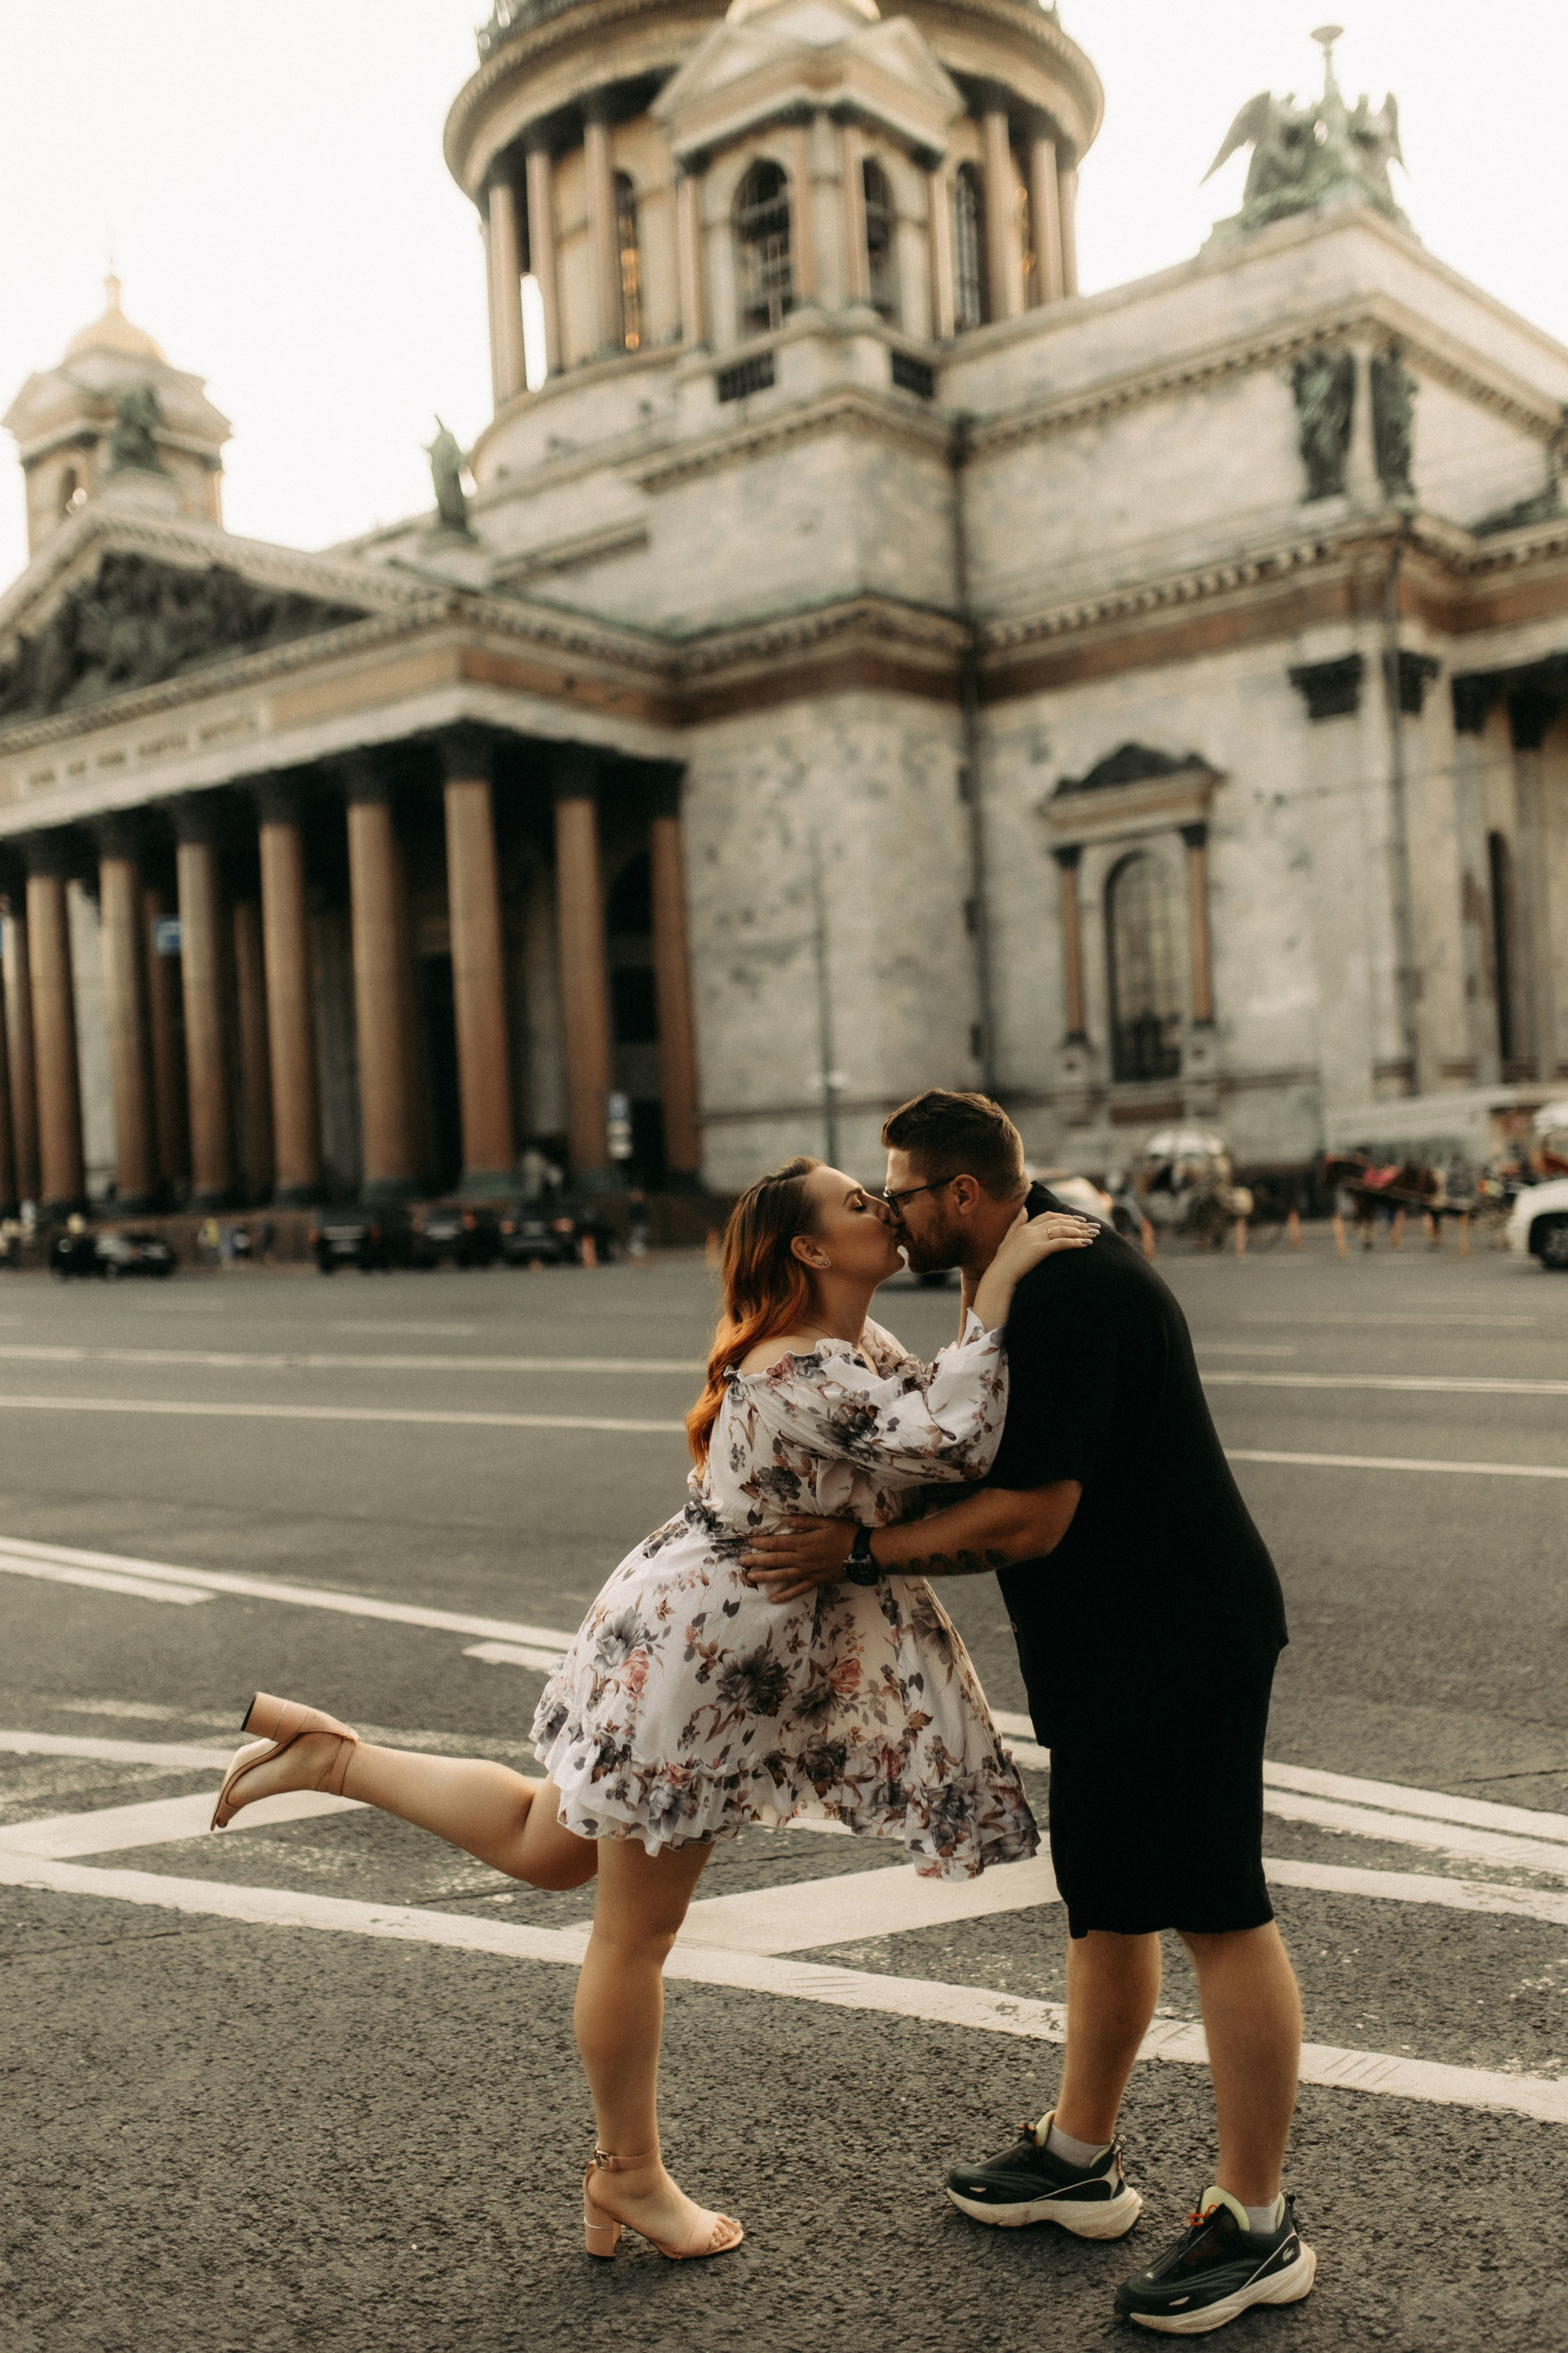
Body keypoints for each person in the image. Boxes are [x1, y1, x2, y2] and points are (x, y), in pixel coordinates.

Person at [207, 1154, 1094, 2266]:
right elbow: (952, 1440)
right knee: (632, 1930)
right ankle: (626, 2173)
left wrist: (981, 1298)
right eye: (858, 1202)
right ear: (812, 1249)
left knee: (554, 1843)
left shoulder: (851, 1349)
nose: (882, 1204)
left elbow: (938, 1415)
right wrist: (1001, 1286)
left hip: (696, 1627)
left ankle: (334, 1756)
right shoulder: (791, 1365)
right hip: (704, 1651)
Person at [743, 1091, 1313, 2337]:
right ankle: (1077, 2153)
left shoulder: (1067, 1285)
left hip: (1180, 1633)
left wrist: (853, 1553)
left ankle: (1257, 2223)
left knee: (1218, 1905)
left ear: (958, 1194)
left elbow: (1027, 1514)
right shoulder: (1014, 1264)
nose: (887, 1212)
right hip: (1108, 1638)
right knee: (1105, 1895)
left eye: (897, 1192)